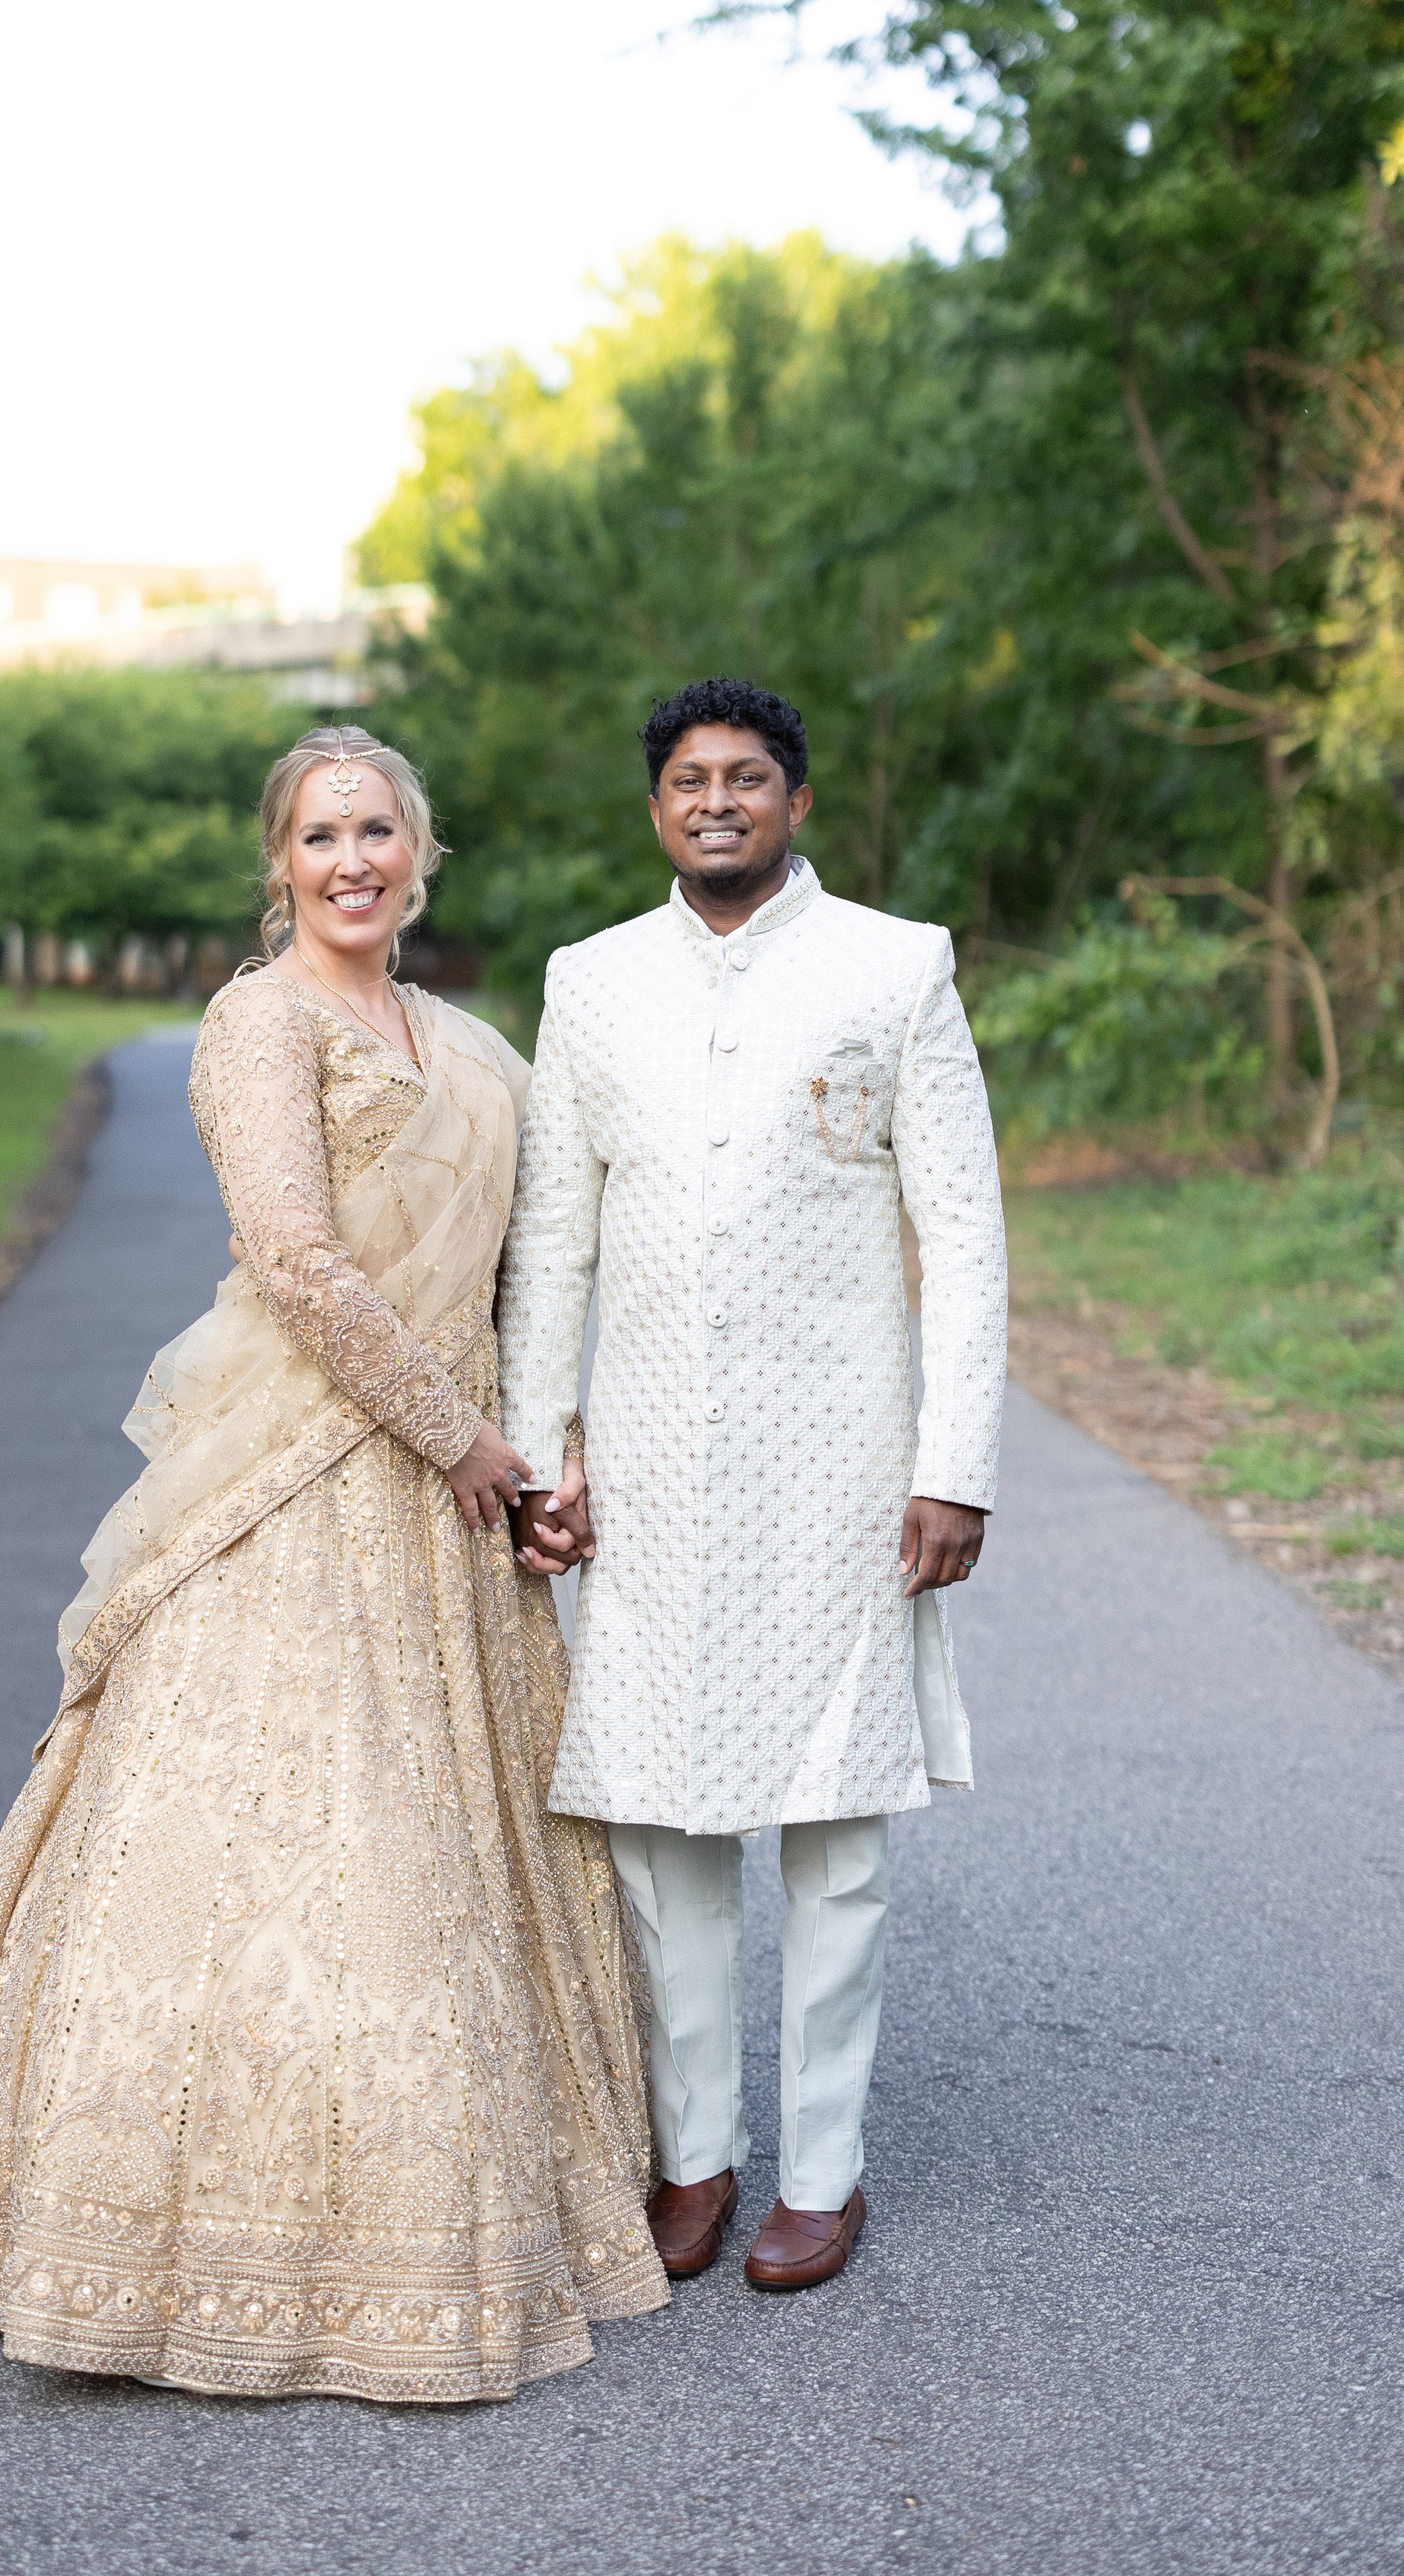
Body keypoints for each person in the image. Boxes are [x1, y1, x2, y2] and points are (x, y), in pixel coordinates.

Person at [0, 726, 667, 2400]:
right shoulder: (255, 1021)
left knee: (447, 1857)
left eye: (377, 830)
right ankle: (161, 2236)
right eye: (321, 836)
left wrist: (543, 1465)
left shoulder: (473, 1048)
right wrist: (460, 1440)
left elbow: (534, 1277)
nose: (352, 860)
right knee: (269, 1854)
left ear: (417, 851)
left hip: (453, 1502)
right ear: (280, 862)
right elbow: (296, 1262)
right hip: (297, 1482)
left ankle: (468, 2209)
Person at [497, 676, 1008, 2292]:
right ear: (654, 810)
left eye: (745, 777)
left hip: (843, 1471)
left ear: (793, 801)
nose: (713, 800)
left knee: (835, 1829)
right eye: (685, 781)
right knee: (659, 1825)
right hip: (643, 1466)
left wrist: (953, 1468)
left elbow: (966, 1235)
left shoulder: (893, 964)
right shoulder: (588, 985)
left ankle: (828, 2176)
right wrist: (534, 1456)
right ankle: (695, 2159)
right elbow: (553, 1240)